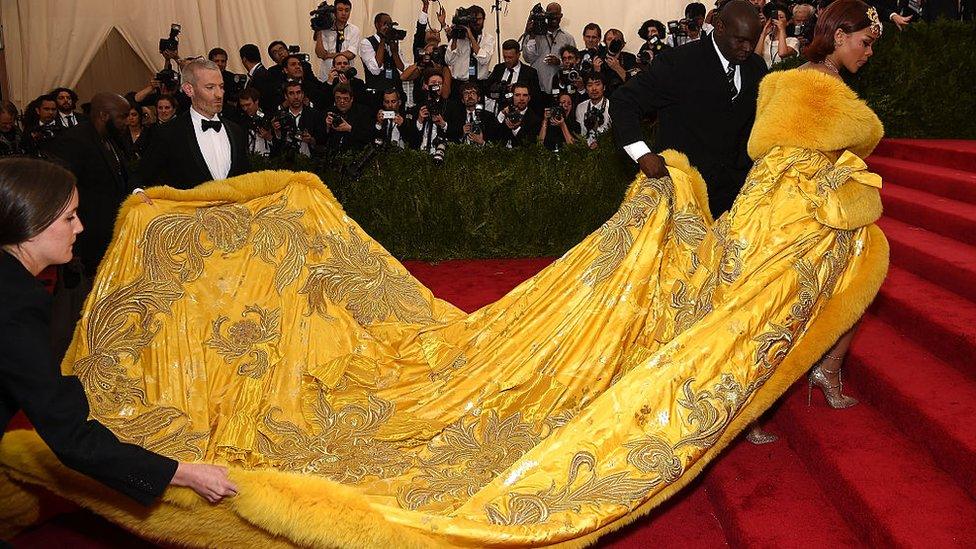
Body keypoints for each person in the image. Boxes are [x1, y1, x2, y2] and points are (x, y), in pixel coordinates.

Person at [0, 157, 238, 506]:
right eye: (69, 217)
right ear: (30, 220)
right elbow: (70, 436)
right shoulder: (16, 303)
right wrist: (183, 473)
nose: (79, 227)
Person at [611, 0, 768, 219]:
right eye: (740, 40)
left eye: (753, 41)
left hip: (736, 197)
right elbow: (623, 100)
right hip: (685, 196)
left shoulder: (757, 67)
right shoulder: (678, 63)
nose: (748, 48)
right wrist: (642, 154)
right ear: (719, 27)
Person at [42, 93, 131, 276]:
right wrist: (74, 249)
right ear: (104, 115)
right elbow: (60, 195)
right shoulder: (74, 141)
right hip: (89, 240)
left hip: (112, 233)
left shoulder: (111, 137)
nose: (127, 121)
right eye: (122, 116)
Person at [132, 58, 250, 191]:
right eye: (210, 87)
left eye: (221, 87)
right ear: (189, 90)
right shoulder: (169, 133)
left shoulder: (236, 131)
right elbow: (139, 178)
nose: (219, 94)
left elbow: (245, 177)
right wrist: (139, 194)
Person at [520, 2, 576, 94]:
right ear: (545, 15)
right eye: (551, 14)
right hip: (537, 88)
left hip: (561, 89)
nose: (554, 17)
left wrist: (559, 62)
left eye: (556, 14)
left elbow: (574, 64)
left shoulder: (568, 38)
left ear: (561, 15)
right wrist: (532, 37)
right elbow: (528, 58)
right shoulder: (534, 35)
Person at [443, 5, 495, 94]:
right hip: (459, 85)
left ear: (484, 19)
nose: (477, 22)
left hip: (479, 85)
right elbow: (449, 61)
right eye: (474, 20)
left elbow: (484, 60)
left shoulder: (488, 39)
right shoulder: (458, 38)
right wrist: (454, 37)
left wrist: (471, 37)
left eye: (479, 19)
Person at [484, 39, 543, 114]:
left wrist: (516, 89)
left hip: (522, 113)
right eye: (505, 57)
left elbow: (536, 97)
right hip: (500, 112)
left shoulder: (530, 73)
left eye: (510, 57)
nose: (507, 60)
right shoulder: (499, 68)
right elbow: (487, 89)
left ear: (518, 55)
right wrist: (499, 88)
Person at [314, 0, 361, 80]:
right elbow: (320, 54)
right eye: (340, 10)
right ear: (334, 11)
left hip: (347, 76)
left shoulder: (354, 30)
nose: (344, 13)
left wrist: (329, 55)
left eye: (347, 10)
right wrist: (318, 30)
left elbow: (350, 54)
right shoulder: (325, 29)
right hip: (327, 76)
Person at [496, 82, 542, 148]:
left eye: (525, 95)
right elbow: (493, 134)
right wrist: (502, 114)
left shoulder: (535, 120)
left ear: (529, 98)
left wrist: (516, 129)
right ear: (512, 97)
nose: (521, 98)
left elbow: (529, 145)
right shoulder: (504, 114)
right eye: (517, 95)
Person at [756, 2, 799, 67]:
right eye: (775, 17)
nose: (777, 20)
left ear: (787, 22)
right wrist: (763, 33)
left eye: (781, 17)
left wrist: (781, 30)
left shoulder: (793, 41)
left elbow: (782, 53)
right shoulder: (765, 38)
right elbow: (756, 56)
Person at [575, 73, 611, 149]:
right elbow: (580, 134)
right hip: (586, 150)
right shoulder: (580, 107)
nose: (594, 88)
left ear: (604, 87)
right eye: (590, 85)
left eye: (597, 84)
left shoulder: (612, 106)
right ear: (586, 89)